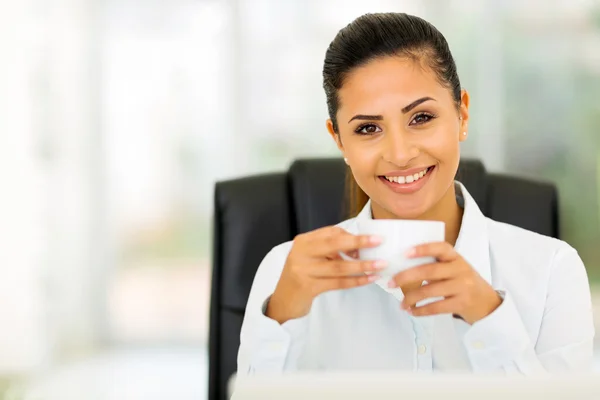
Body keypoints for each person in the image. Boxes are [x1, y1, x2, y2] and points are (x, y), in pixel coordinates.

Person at [235, 12, 594, 378]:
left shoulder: (551, 272)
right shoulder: (284, 273)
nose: (400, 153)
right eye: (368, 127)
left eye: (421, 118)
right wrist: (282, 317)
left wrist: (490, 319)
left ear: (462, 114)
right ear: (338, 138)